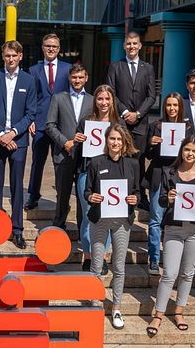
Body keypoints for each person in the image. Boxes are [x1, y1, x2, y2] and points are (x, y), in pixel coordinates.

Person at [147, 136, 195, 336]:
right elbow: (163, 201)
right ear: (181, 151)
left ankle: (179, 311)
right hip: (174, 228)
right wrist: (169, 198)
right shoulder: (170, 172)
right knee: (169, 273)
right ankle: (158, 314)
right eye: (187, 150)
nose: (190, 154)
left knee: (188, 273)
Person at [84, 123, 139, 330]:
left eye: (119, 139)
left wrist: (135, 198)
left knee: (118, 266)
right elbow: (86, 191)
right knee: (97, 264)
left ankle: (116, 307)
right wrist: (91, 197)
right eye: (112, 139)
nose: (115, 143)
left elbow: (137, 192)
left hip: (122, 221)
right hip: (99, 219)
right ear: (106, 141)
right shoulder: (96, 162)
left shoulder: (132, 164)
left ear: (124, 142)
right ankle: (95, 302)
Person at [0, 40, 37, 249]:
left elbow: (31, 112)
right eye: (7, 56)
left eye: (14, 56)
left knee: (16, 188)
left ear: (20, 56)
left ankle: (17, 231)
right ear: (3, 56)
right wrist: (1, 135)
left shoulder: (29, 80)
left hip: (19, 141)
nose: (11, 59)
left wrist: (13, 133)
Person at [144, 92, 195, 277]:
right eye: (168, 105)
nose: (172, 108)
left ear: (180, 107)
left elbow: (194, 154)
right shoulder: (155, 126)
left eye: (175, 105)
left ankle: (175, 258)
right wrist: (151, 144)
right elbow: (147, 155)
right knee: (156, 219)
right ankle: (154, 258)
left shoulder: (188, 128)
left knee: (178, 219)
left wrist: (185, 149)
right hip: (158, 175)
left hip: (179, 177)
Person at [105, 31, 156, 211]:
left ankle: (140, 195)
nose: (132, 47)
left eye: (135, 43)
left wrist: (138, 113)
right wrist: (126, 112)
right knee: (119, 156)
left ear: (140, 45)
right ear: (124, 46)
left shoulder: (148, 68)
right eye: (128, 44)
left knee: (139, 159)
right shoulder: (115, 66)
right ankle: (119, 191)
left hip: (141, 123)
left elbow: (152, 96)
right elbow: (111, 92)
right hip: (121, 121)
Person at [76, 84, 121, 273]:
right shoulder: (86, 121)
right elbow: (77, 152)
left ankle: (101, 256)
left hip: (110, 177)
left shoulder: (118, 124)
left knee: (106, 218)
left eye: (107, 99)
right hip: (87, 173)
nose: (103, 102)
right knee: (89, 216)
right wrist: (77, 140)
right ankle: (88, 256)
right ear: (95, 101)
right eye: (100, 99)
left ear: (112, 101)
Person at [26, 34, 71, 210]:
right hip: (40, 124)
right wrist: (31, 119)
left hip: (61, 125)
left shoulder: (68, 69)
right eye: (48, 45)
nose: (51, 49)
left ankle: (62, 198)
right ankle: (33, 195)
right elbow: (30, 98)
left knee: (61, 163)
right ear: (43, 47)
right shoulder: (33, 70)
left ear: (59, 49)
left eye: (54, 46)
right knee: (37, 162)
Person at [45, 63, 93, 230]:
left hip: (85, 156)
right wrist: (65, 142)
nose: (77, 80)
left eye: (80, 77)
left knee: (82, 195)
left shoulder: (93, 101)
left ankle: (82, 231)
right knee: (62, 195)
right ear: (69, 78)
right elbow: (50, 125)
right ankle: (59, 226)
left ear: (86, 78)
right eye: (74, 77)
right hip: (63, 154)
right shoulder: (58, 98)